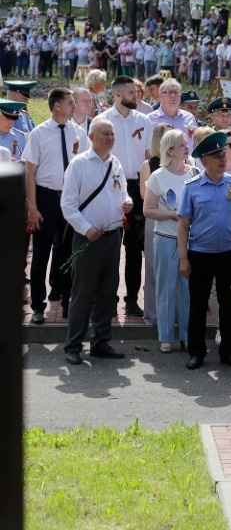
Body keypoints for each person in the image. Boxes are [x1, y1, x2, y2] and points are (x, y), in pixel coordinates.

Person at [177, 132, 231, 370]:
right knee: (198, 305)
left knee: (229, 305)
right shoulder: (192, 187)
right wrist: (183, 258)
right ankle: (196, 352)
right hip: (200, 253)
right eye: (216, 155)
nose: (222, 158)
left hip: (230, 253)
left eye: (223, 153)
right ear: (204, 161)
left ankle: (228, 351)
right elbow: (183, 225)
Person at [60, 118, 133, 365]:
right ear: (91, 137)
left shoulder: (116, 163)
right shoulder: (79, 165)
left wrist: (128, 201)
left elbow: (123, 191)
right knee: (82, 293)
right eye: (105, 134)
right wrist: (86, 228)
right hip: (88, 238)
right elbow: (67, 205)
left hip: (113, 236)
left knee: (107, 292)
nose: (111, 138)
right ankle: (73, 345)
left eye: (112, 133)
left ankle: (101, 342)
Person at [24, 87, 90, 324]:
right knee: (41, 253)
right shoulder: (39, 133)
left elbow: (84, 167)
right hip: (46, 197)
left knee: (68, 253)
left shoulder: (79, 133)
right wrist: (32, 207)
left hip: (70, 198)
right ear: (57, 106)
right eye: (70, 103)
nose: (75, 106)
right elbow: (29, 173)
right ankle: (38, 306)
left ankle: (67, 302)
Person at [96, 75, 152, 318]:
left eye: (137, 92)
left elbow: (149, 156)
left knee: (133, 247)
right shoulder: (102, 121)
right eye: (131, 92)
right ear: (117, 95)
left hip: (138, 187)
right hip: (110, 186)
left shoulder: (145, 120)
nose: (136, 95)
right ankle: (106, 299)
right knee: (107, 246)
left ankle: (131, 298)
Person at [143, 129, 196, 352]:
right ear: (170, 150)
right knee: (165, 287)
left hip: (191, 240)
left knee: (188, 289)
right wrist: (171, 214)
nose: (186, 148)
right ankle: (165, 336)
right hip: (165, 238)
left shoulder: (194, 172)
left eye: (186, 144)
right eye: (182, 145)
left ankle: (186, 335)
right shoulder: (157, 176)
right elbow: (148, 210)